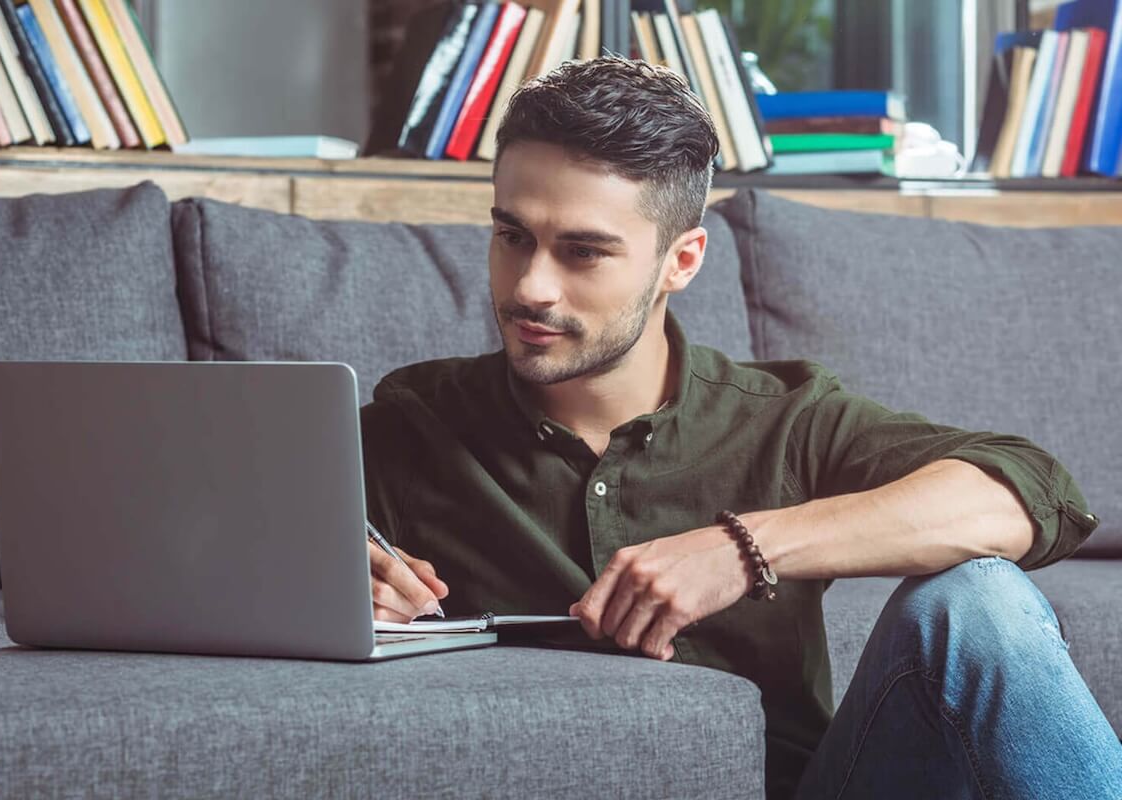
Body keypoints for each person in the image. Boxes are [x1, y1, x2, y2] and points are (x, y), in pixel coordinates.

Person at [359, 57, 1122, 799]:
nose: (530, 286)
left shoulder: (784, 418)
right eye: (512, 236)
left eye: (584, 252)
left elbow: (1030, 493)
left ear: (680, 261)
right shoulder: (411, 426)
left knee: (977, 601)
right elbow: (252, 558)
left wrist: (744, 548)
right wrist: (344, 601)